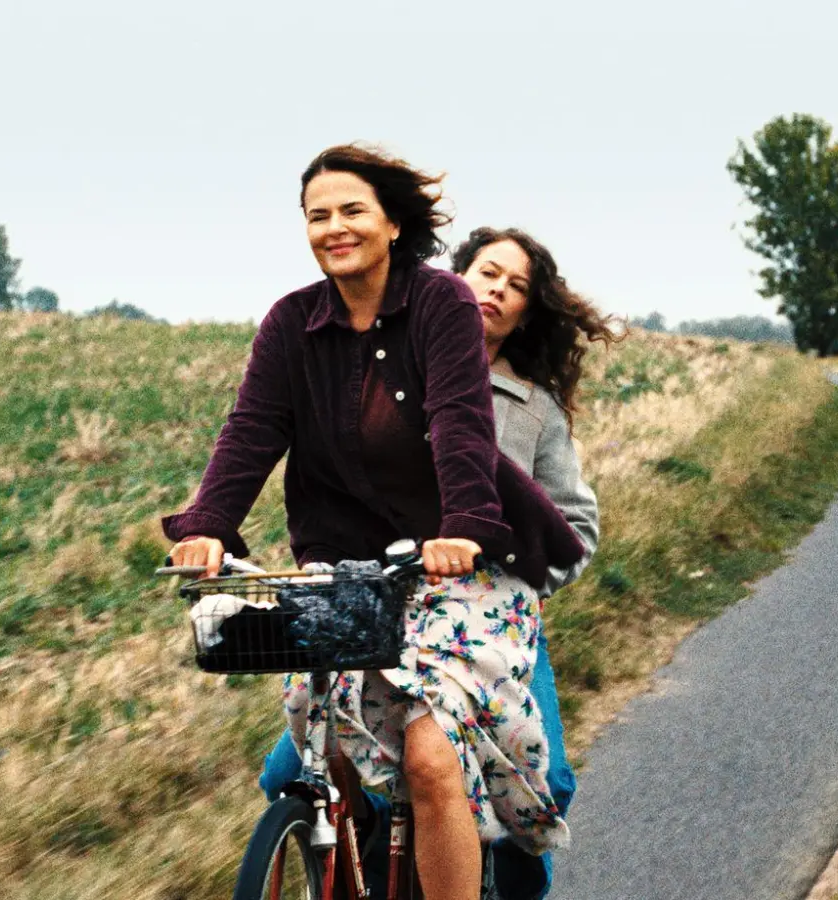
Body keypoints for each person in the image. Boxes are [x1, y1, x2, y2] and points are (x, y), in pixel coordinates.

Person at [163, 144, 582, 900]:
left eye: (352, 210)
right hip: (347, 571)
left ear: (392, 222)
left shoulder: (441, 303)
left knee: (429, 755)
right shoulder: (291, 323)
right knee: (318, 755)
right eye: (317, 215)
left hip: (461, 568)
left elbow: (460, 424)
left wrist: (465, 528)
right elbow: (251, 431)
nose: (334, 227)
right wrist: (210, 526)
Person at [257, 224, 618, 898]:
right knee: (289, 772)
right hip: (381, 602)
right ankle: (357, 853)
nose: (498, 291)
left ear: (526, 312)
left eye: (516, 287)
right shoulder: (381, 369)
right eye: (488, 273)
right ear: (456, 278)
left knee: (549, 784)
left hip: (483, 620)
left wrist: (517, 574)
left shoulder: (534, 411)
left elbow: (576, 527)